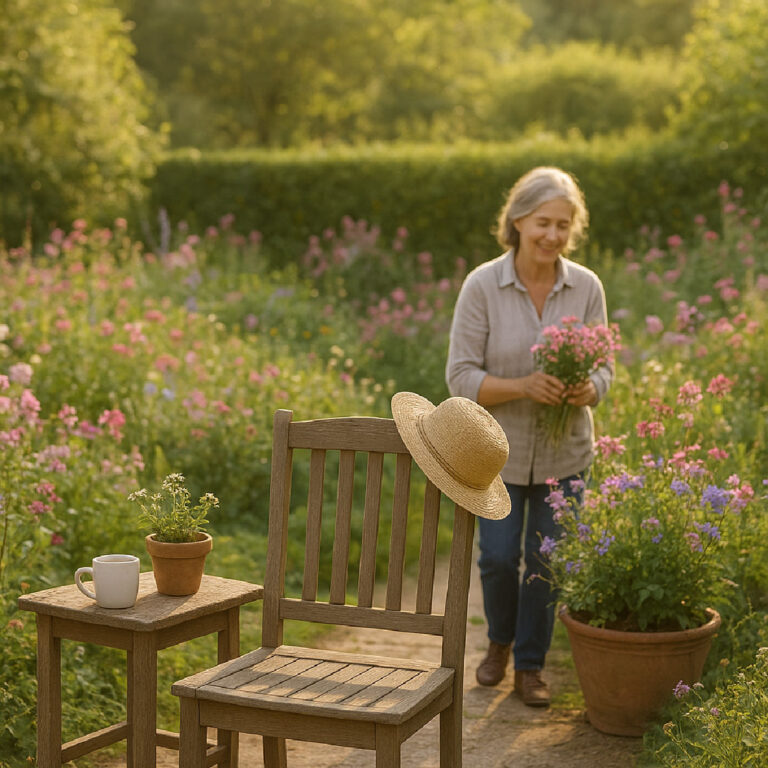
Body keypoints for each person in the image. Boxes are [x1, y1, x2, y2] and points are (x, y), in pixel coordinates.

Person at [445, 166, 613, 707]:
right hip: (497, 452)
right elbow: (460, 377)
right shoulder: (482, 285)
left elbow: (606, 370)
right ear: (517, 221)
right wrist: (522, 386)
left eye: (564, 225)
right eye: (543, 222)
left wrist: (590, 390)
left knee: (549, 561)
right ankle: (498, 642)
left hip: (566, 456)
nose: (553, 236)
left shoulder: (586, 287)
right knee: (496, 557)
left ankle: (531, 666)